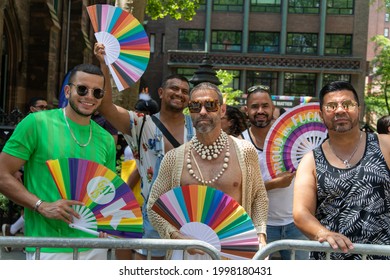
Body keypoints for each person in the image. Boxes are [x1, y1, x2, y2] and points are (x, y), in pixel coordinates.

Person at [0, 64, 116, 260]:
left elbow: (107, 191)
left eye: (97, 92)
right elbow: (2, 174)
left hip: (95, 247)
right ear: (68, 90)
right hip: (47, 248)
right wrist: (41, 205)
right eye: (82, 89)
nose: (89, 96)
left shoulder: (106, 138)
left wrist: (108, 222)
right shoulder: (36, 123)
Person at [94, 43, 194, 260]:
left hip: (192, 215)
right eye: (174, 88)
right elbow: (106, 107)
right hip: (154, 215)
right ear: (161, 92)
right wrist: (104, 65)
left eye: (185, 91)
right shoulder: (140, 124)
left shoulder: (197, 127)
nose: (179, 94)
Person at [147, 82, 268, 259]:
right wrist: (175, 236)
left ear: (222, 110)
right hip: (187, 257)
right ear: (190, 111)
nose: (202, 111)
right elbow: (153, 207)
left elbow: (259, 197)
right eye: (195, 106)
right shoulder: (173, 158)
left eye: (210, 105)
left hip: (235, 253)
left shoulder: (244, 151)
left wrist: (260, 235)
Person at [293, 81, 390, 260]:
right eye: (331, 106)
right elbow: (301, 213)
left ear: (358, 109)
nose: (339, 110)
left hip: (382, 259)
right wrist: (322, 233)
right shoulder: (311, 160)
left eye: (347, 104)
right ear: (321, 114)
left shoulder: (385, 145)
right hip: (331, 260)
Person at [241, 85, 308, 260]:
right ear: (246, 110)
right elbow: (240, 189)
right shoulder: (240, 143)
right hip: (259, 225)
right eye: (255, 107)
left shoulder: (291, 138)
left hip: (296, 223)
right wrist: (273, 184)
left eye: (265, 106)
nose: (260, 111)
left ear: (273, 109)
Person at [2, 97, 48, 252]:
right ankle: (15, 233)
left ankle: (13, 232)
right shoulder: (28, 123)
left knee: (29, 208)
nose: (44, 109)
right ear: (32, 108)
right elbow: (10, 152)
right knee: (30, 206)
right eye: (41, 106)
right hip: (22, 173)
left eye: (46, 107)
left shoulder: (43, 123)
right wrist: (14, 171)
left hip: (33, 173)